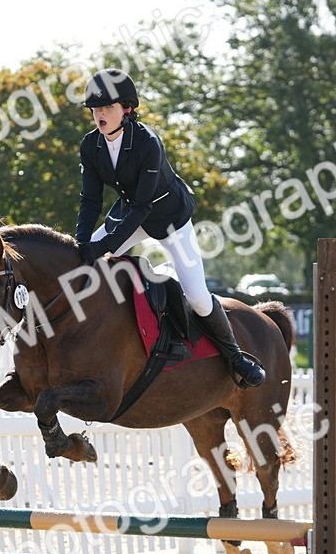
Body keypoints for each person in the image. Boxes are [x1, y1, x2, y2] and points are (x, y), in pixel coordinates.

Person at [74, 68, 265, 388]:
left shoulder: (147, 142)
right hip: (128, 215)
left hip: (169, 219)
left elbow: (144, 207)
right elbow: (90, 200)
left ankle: (235, 356)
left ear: (127, 109)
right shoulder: (91, 145)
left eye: (107, 107)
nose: (100, 114)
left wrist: (104, 246)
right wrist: (82, 243)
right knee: (79, 263)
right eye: (95, 109)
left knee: (199, 298)